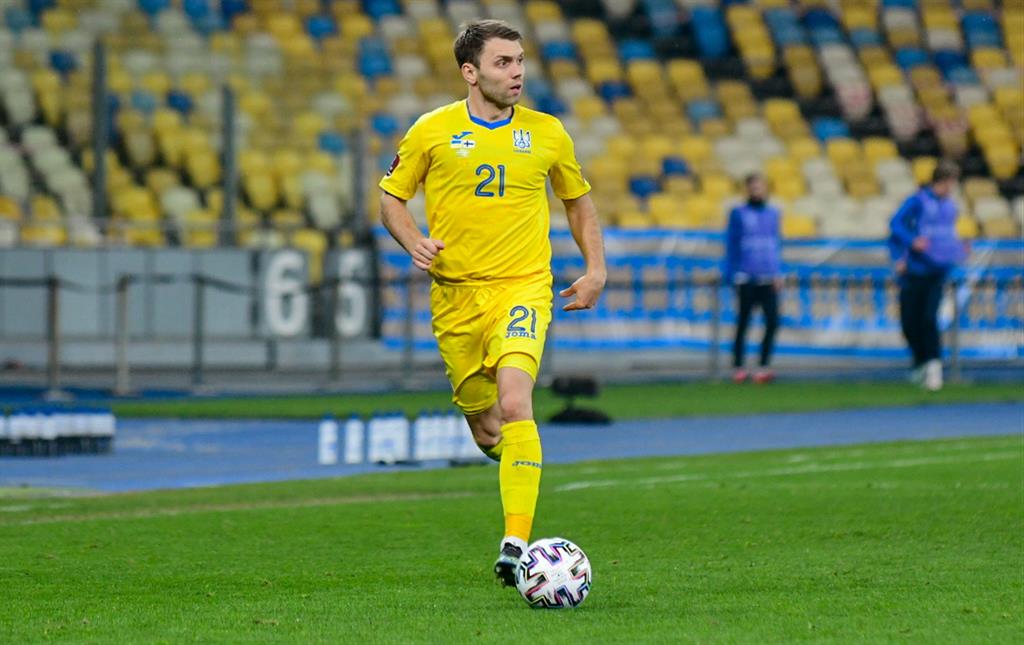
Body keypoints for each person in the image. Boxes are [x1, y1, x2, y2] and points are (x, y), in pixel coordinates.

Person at [378, 19, 606, 586]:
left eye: (520, 60)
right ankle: (518, 467)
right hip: (456, 298)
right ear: (470, 72)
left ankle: (515, 544)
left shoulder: (548, 132)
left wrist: (595, 269)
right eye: (503, 62)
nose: (517, 72)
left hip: (523, 286)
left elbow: (577, 201)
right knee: (487, 430)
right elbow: (391, 199)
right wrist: (413, 241)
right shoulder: (431, 131)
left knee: (514, 400)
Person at [888, 159, 966, 391]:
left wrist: (958, 250)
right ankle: (920, 362)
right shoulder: (918, 201)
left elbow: (947, 236)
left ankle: (934, 366)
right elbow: (896, 225)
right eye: (950, 182)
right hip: (914, 271)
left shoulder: (950, 206)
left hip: (937, 271)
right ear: (942, 181)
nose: (951, 188)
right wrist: (909, 244)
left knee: (929, 318)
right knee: (909, 322)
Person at [723, 173, 783, 384]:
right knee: (743, 322)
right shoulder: (738, 213)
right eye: (754, 187)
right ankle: (738, 366)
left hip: (768, 277)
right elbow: (731, 244)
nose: (757, 191)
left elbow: (775, 245)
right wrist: (731, 274)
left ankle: (763, 366)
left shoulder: (773, 214)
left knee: (772, 322)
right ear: (747, 189)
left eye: (761, 187)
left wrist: (778, 272)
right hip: (745, 277)